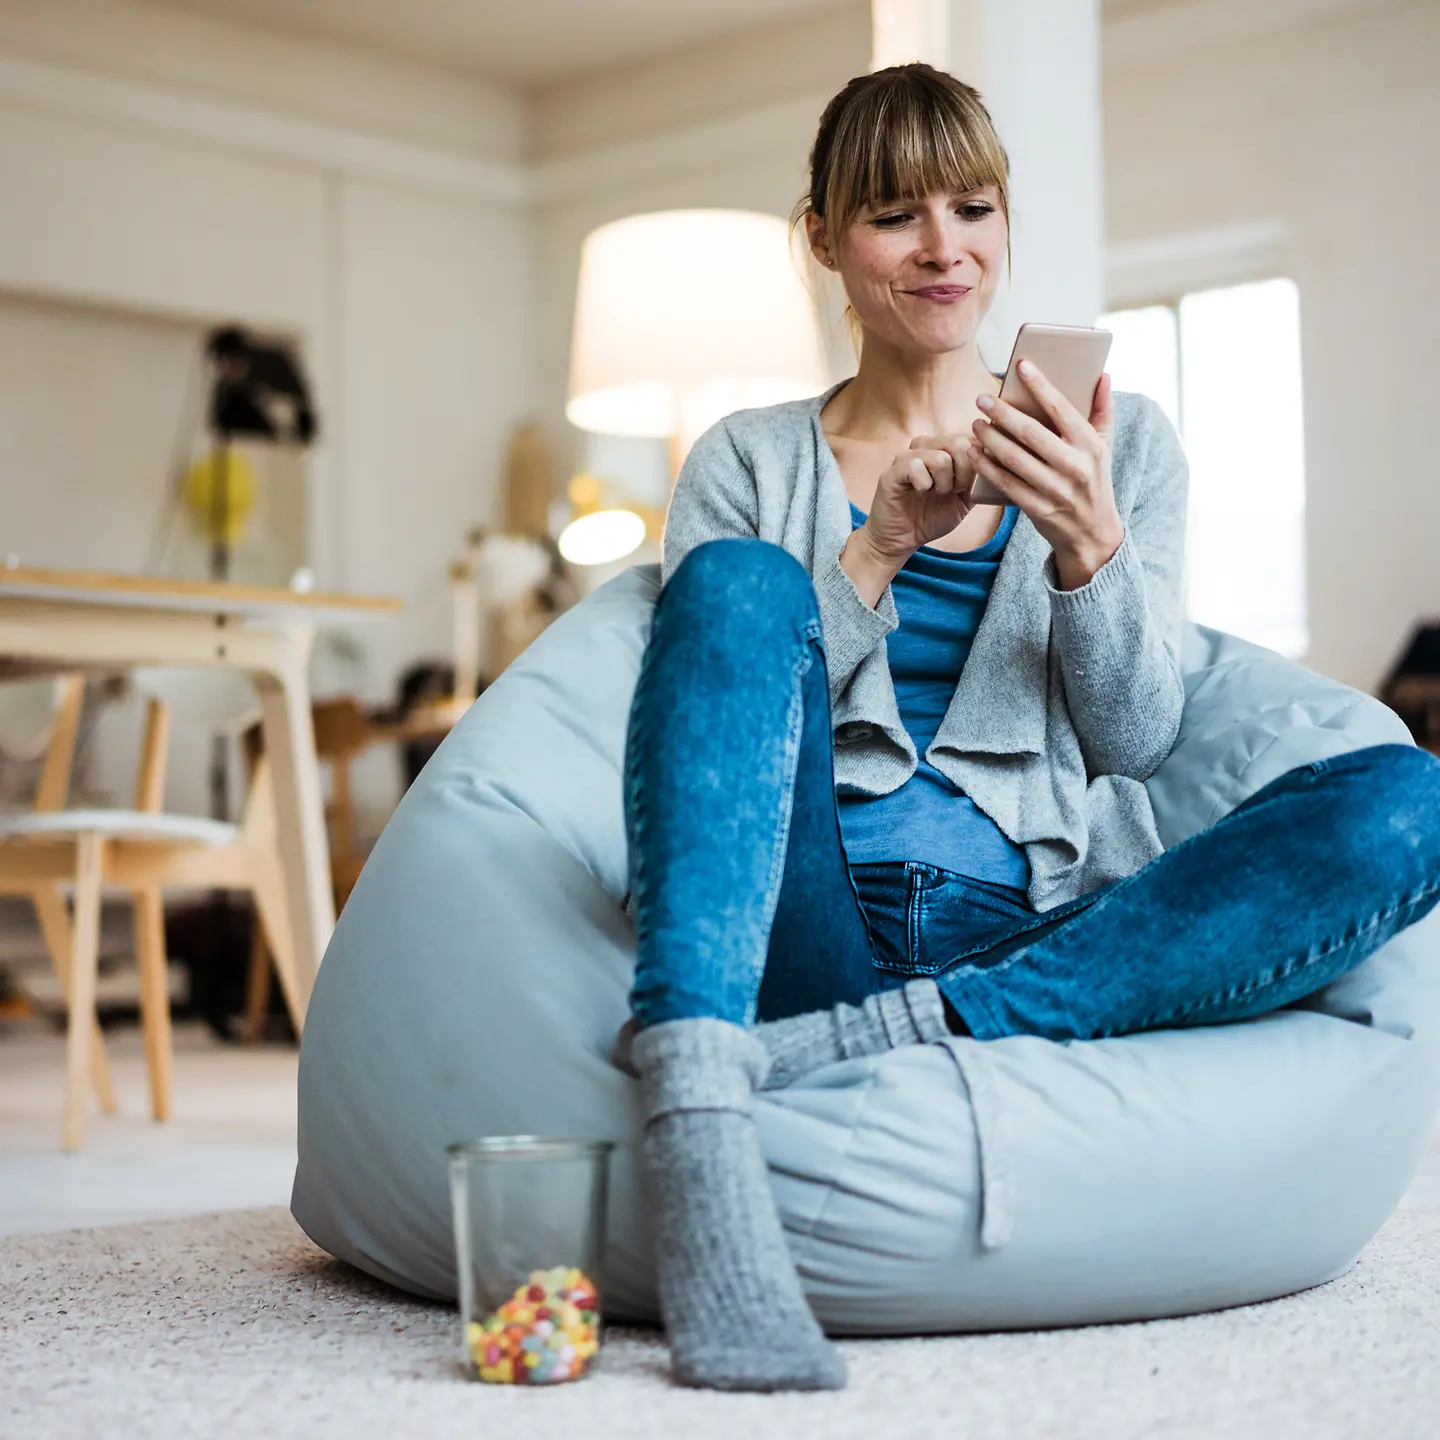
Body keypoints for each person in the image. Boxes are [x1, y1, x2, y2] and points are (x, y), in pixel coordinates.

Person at [618, 62, 1440, 1395]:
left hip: (1046, 928)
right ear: (822, 239)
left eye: (974, 206)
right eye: (894, 214)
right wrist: (877, 547)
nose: (945, 247)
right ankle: (703, 1113)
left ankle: (866, 1046)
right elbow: (721, 721)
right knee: (734, 584)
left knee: (1414, 802)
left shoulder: (1129, 444)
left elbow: (1131, 743)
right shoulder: (748, 459)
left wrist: (1088, 542)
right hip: (805, 917)